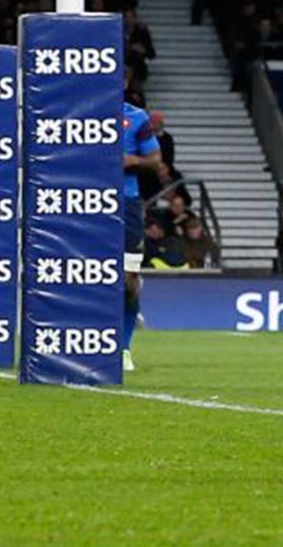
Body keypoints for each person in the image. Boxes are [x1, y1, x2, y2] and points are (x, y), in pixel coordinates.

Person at [120, 91, 166, 372]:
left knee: (127, 280)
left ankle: (123, 348)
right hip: (82, 204)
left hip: (125, 204)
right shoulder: (78, 108)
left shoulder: (136, 117)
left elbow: (154, 160)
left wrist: (132, 161)